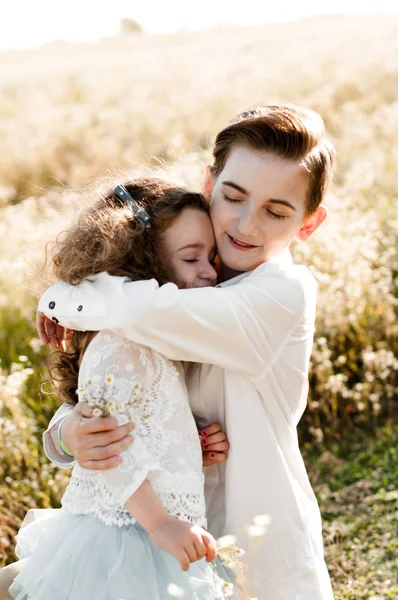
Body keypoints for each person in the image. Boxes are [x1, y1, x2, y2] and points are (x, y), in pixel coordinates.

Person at [37, 104, 336, 599]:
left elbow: (138, 316)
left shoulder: (282, 293)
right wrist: (69, 434)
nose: (247, 224)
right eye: (233, 197)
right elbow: (112, 386)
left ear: (308, 223)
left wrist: (67, 296)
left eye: (276, 211)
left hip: (257, 550)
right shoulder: (180, 273)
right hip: (158, 546)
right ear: (208, 184)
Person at [7, 179, 239, 600]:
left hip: (145, 528)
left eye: (212, 257)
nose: (209, 271)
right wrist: (159, 524)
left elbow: (141, 425)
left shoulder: (154, 340)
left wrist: (184, 444)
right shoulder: (118, 345)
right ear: (142, 265)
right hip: (125, 535)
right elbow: (107, 449)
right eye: (191, 258)